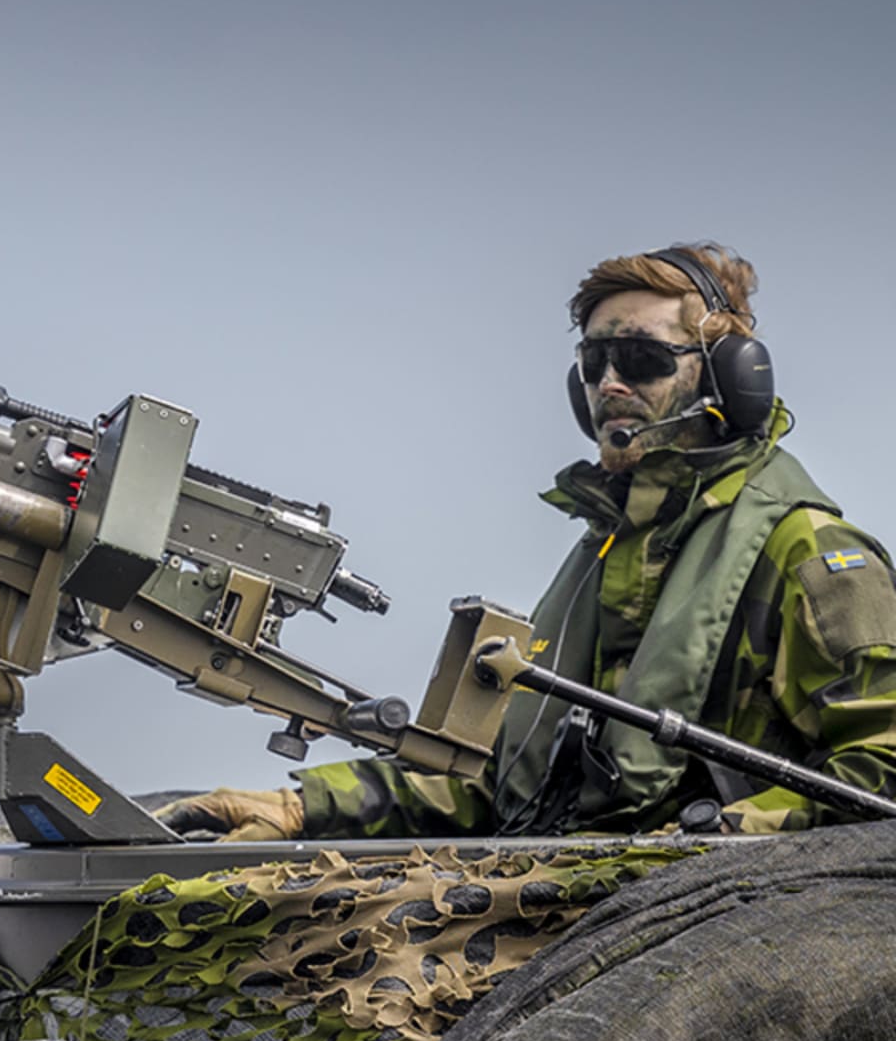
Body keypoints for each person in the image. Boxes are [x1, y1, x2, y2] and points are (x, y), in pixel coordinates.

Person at [167, 242, 896, 840]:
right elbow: (494, 790)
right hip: (566, 896)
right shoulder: (607, 553)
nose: (609, 384)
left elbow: (883, 775)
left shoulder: (813, 558)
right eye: (593, 363)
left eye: (640, 360)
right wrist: (300, 808)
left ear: (729, 379)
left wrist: (724, 837)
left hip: (713, 926)